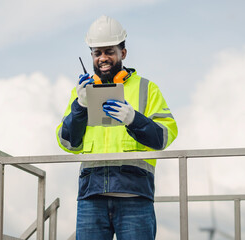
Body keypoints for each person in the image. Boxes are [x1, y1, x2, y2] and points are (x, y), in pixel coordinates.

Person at [56, 15, 178, 240]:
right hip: (91, 195)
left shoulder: (146, 88)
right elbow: (67, 143)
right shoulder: (80, 92)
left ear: (123, 53)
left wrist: (134, 119)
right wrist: (80, 107)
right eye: (97, 53)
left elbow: (163, 137)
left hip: (135, 194)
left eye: (109, 51)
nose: (103, 58)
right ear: (91, 56)